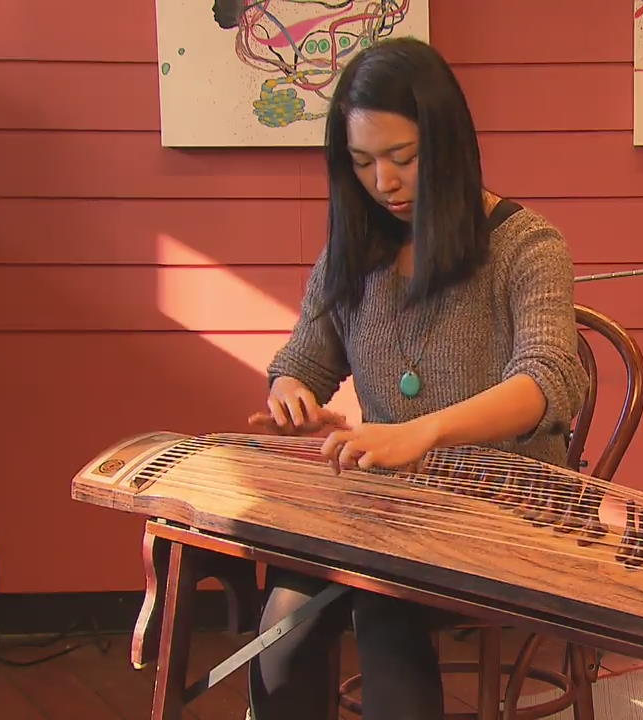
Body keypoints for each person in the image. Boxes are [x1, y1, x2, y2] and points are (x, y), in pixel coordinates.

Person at [244, 37, 590, 719]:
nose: (384, 183)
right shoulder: (358, 247)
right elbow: (300, 365)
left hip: (506, 505)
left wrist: (418, 436)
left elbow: (549, 381)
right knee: (286, 614)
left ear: (449, 146)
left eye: (403, 158)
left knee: (380, 600)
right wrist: (292, 401)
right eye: (363, 162)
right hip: (391, 508)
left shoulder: (527, 246)